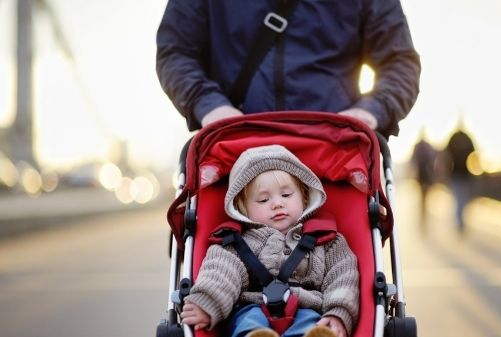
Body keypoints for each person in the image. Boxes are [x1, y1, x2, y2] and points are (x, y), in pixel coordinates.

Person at [156, 0, 421, 138]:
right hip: (235, 143)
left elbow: (400, 62)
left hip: (334, 148)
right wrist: (211, 106)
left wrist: (370, 111)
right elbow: (176, 51)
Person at [180, 145, 359, 337]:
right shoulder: (236, 243)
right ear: (242, 208)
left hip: (307, 306)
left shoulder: (326, 240)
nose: (277, 203)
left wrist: (338, 312)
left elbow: (342, 275)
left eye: (286, 195)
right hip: (253, 306)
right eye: (263, 200)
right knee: (248, 321)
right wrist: (208, 302)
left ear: (305, 197)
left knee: (310, 322)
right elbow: (221, 273)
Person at [443, 123, 477, 233]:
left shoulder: (454, 137)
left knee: (460, 199)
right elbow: (474, 152)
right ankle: (460, 221)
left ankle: (460, 220)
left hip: (459, 173)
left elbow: (446, 154)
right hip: (462, 173)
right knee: (460, 199)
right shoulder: (466, 137)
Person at [410, 128, 437, 232]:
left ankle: (423, 215)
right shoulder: (428, 146)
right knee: (424, 196)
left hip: (420, 176)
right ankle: (424, 215)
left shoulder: (417, 146)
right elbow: (433, 159)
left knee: (422, 196)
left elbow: (413, 160)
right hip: (427, 175)